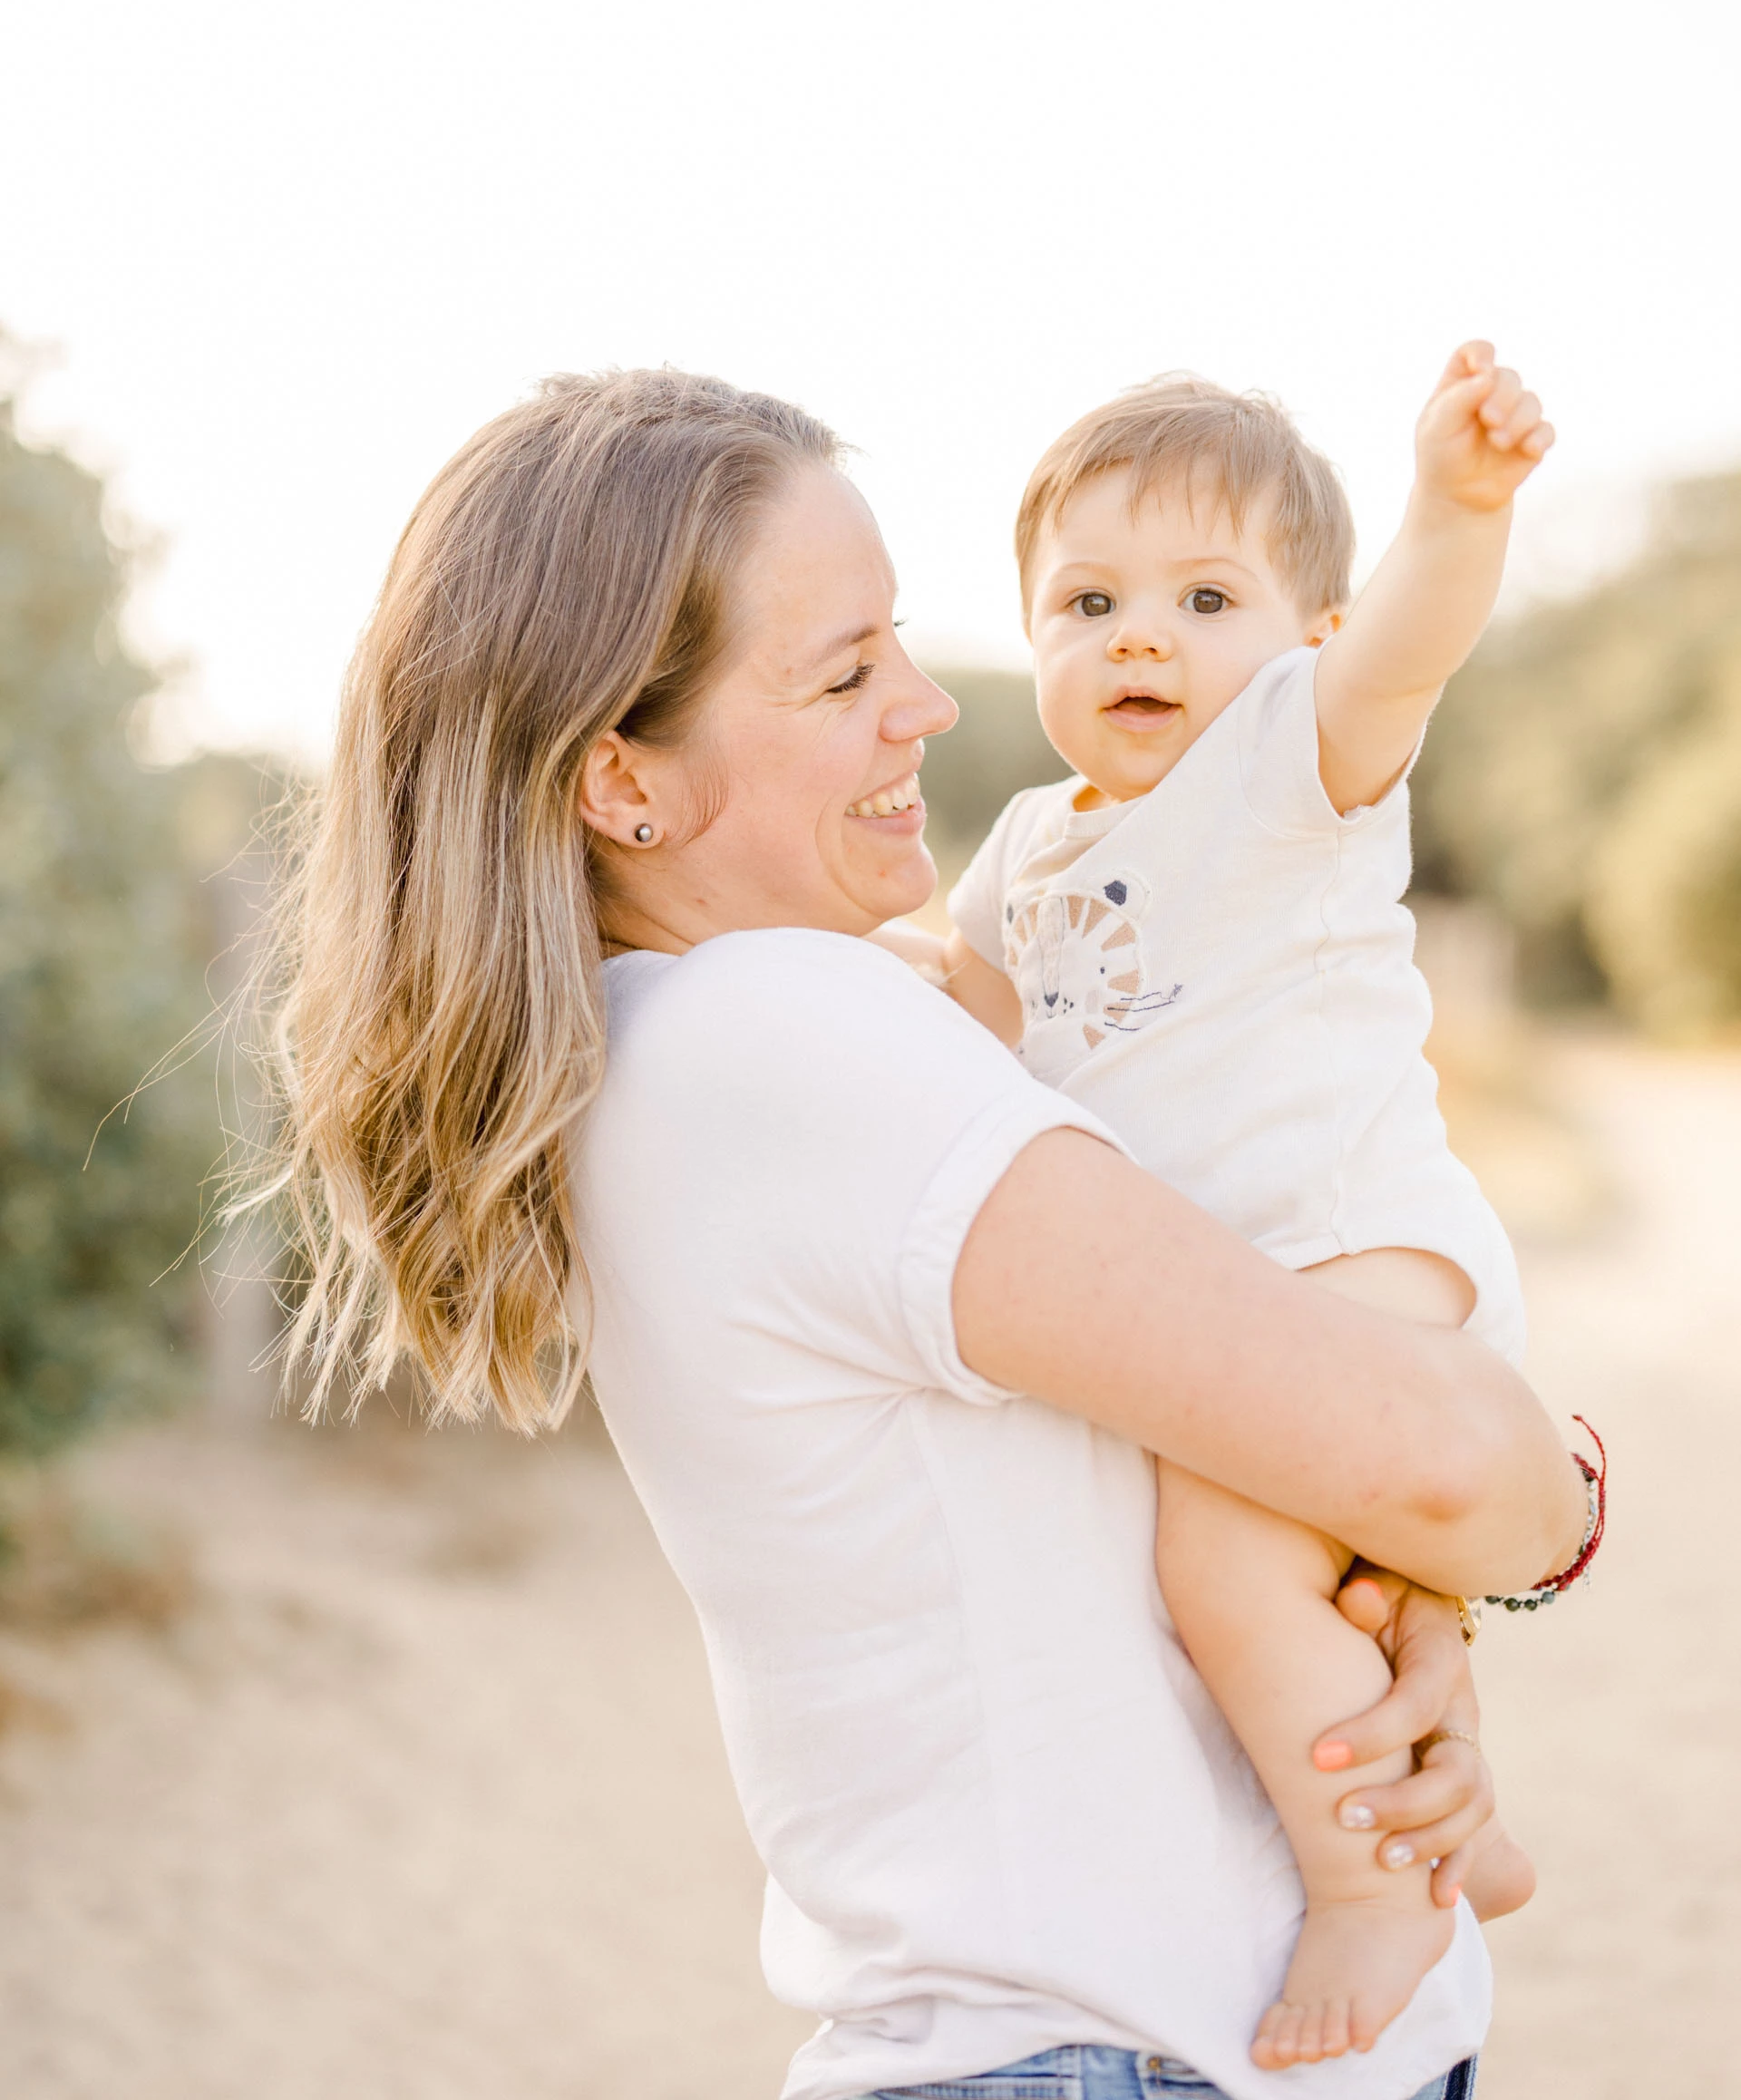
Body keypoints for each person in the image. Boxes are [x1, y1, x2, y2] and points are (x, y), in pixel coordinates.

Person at [267, 368, 1586, 2100]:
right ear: (621, 782)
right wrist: (1537, 1514)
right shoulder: (778, 1042)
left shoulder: (716, 1038)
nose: (926, 709)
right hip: (1123, 2058)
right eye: (842, 671)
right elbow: (1442, 1469)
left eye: (896, 641)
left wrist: (1423, 1613)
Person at [893, 351, 1561, 2069]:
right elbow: (984, 1012)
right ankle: (1447, 1824)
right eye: (1089, 601)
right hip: (1234, 1280)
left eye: (1206, 597)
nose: (1140, 638)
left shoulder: (1290, 757)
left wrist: (1456, 510)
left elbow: (1412, 642)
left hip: (1354, 1241)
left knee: (1224, 1540)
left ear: (1305, 632)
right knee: (1296, 1564)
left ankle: (1373, 1886)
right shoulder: (1032, 841)